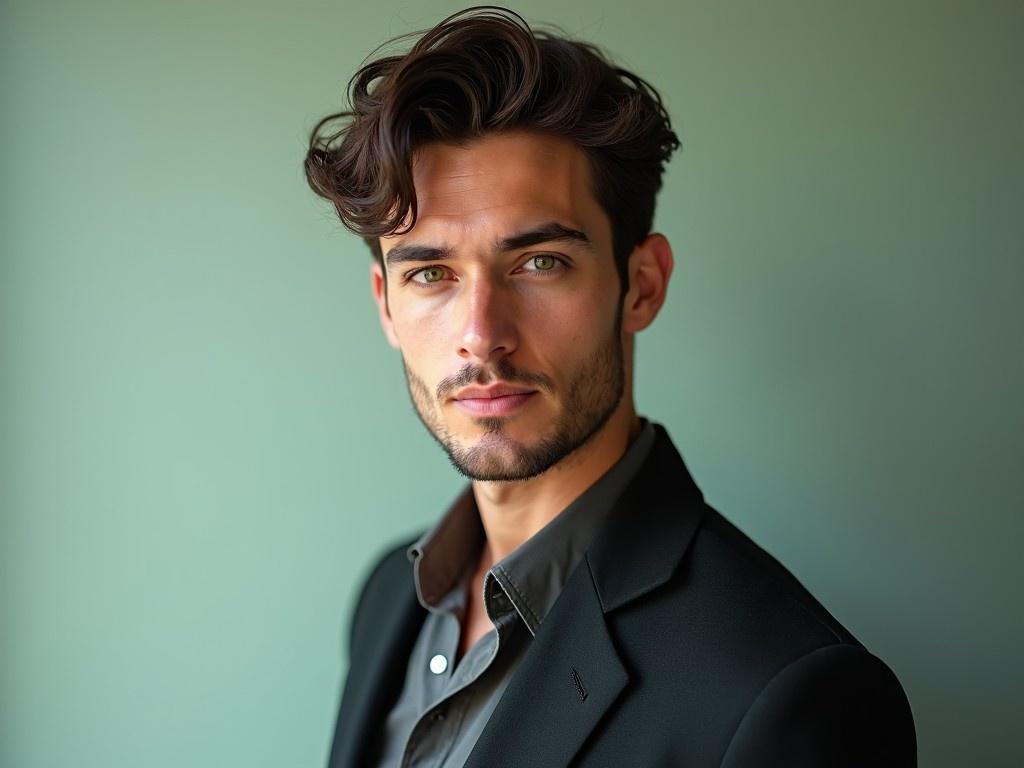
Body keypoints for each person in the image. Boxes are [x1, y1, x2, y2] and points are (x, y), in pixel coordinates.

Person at [304, 7, 916, 767]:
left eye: (539, 263)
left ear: (642, 284)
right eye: (431, 274)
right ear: (387, 303)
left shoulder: (788, 692)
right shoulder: (387, 601)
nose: (482, 332)